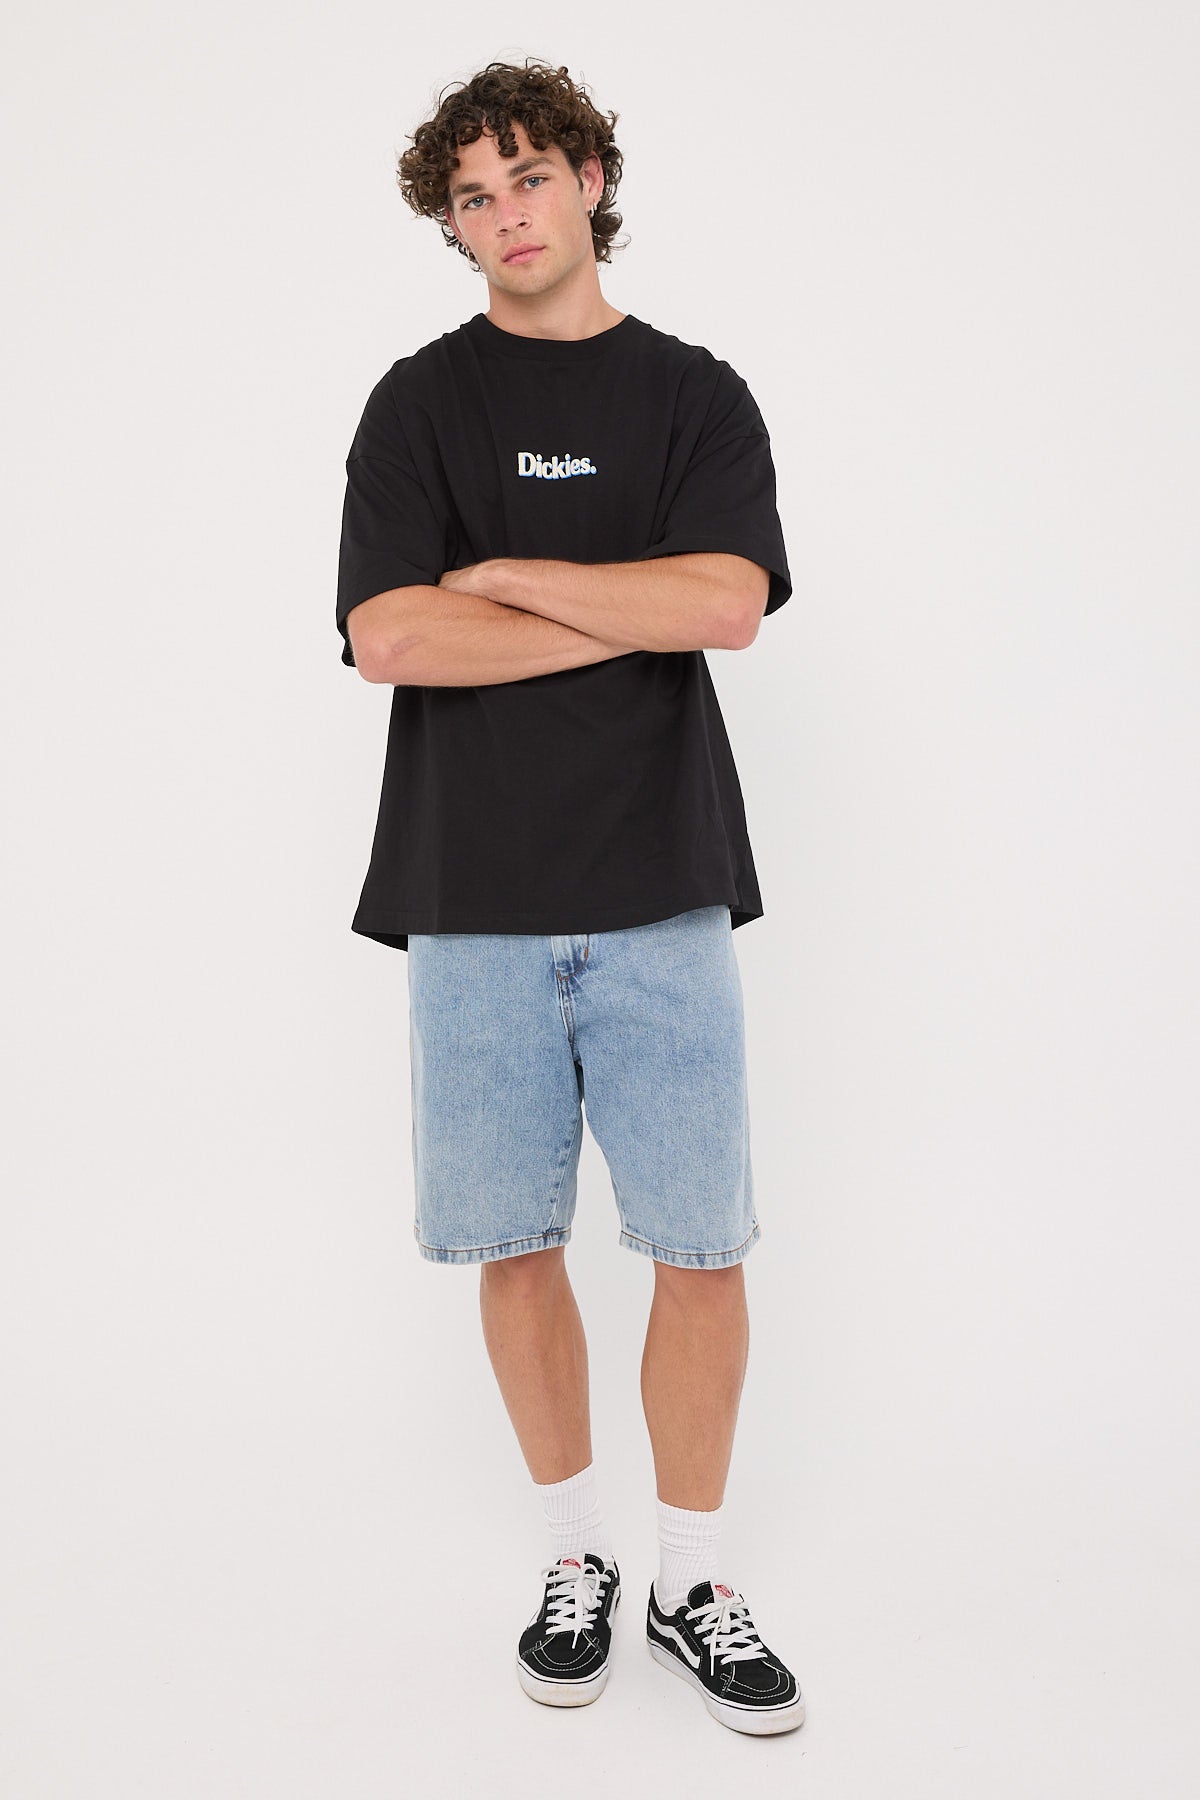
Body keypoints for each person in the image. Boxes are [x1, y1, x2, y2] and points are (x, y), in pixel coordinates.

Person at [335, 57, 805, 1737]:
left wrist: (516, 579)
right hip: (470, 900)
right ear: (452, 227)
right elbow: (391, 635)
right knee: (514, 1248)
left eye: (529, 176)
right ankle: (577, 1556)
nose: (507, 213)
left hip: (664, 887)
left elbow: (728, 605)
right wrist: (625, 607)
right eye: (473, 196)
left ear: (592, 180)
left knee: (700, 1250)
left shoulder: (695, 396)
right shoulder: (417, 405)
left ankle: (693, 1582)